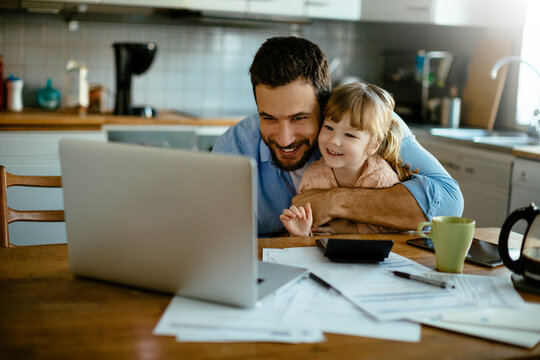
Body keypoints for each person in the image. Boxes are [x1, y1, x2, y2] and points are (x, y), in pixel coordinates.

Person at [212, 36, 463, 237]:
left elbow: (449, 203)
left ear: (325, 107)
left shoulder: (365, 124)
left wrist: (334, 202)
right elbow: (211, 236)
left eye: (299, 118)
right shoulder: (234, 148)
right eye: (268, 118)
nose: (285, 139)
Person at [280, 82, 416, 236]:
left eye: (350, 135)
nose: (334, 141)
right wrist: (302, 232)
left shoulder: (381, 180)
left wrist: (350, 229)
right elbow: (312, 231)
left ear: (373, 146)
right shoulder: (314, 176)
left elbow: (398, 228)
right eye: (329, 128)